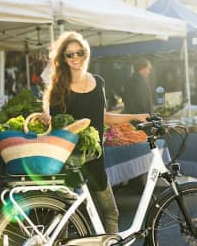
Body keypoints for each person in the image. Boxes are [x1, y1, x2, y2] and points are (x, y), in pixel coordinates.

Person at [42, 31, 149, 233]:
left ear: (86, 54)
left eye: (79, 53)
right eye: (69, 54)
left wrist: (136, 116)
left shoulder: (98, 82)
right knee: (65, 216)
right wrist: (48, 117)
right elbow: (59, 128)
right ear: (63, 59)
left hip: (95, 157)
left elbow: (104, 117)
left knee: (110, 213)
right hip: (70, 159)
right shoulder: (59, 87)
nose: (75, 58)